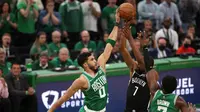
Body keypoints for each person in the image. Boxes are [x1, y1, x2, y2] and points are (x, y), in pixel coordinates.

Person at [48, 10, 120, 112]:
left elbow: (110, 43)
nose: (95, 61)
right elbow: (64, 97)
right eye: (92, 59)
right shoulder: (82, 80)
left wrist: (117, 23)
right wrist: (50, 110)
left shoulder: (101, 65)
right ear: (85, 64)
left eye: (94, 58)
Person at [120, 19, 159, 112]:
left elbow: (141, 60)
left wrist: (130, 38)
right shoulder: (134, 68)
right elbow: (123, 49)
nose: (138, 62)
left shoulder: (153, 75)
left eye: (142, 62)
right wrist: (124, 33)